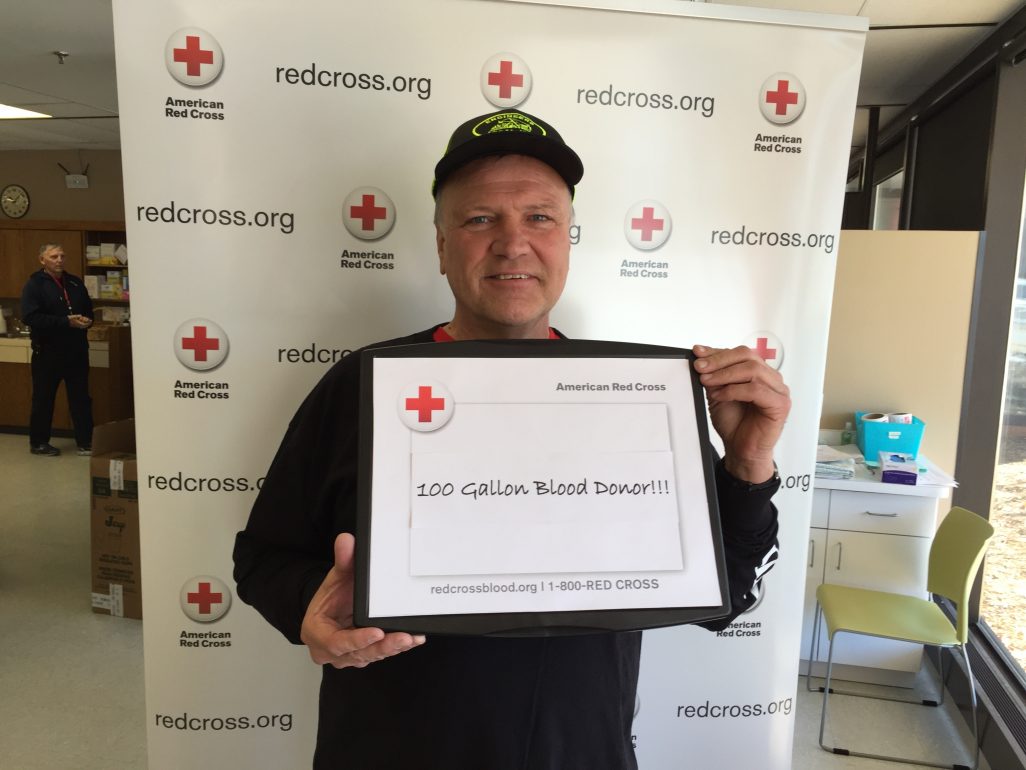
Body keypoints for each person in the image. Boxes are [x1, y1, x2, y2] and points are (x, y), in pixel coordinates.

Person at [234, 109, 790, 769]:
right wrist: (310, 606)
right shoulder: (363, 386)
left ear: (568, 240)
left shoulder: (638, 401)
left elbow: (729, 597)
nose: (512, 243)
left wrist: (748, 464)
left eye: (540, 217)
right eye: (480, 219)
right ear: (442, 246)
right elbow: (262, 559)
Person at [20, 243, 94, 456]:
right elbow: (30, 317)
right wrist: (65, 322)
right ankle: (39, 443)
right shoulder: (35, 285)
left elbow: (88, 310)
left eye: (62, 255)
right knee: (43, 399)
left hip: (76, 351)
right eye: (54, 256)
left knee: (81, 399)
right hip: (48, 352)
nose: (59, 260)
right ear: (42, 260)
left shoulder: (75, 282)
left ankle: (86, 442)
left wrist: (87, 320)